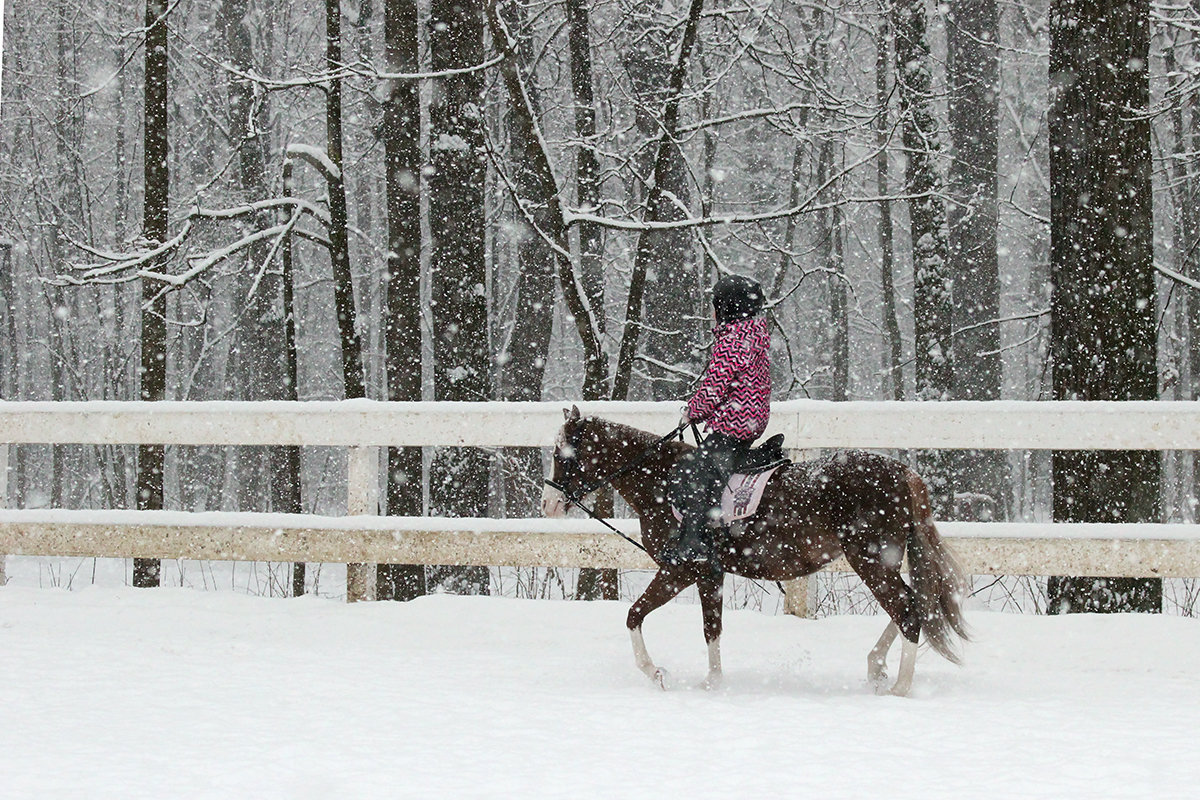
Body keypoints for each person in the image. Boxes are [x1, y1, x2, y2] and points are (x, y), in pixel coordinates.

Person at [667, 274, 771, 566]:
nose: (712, 312)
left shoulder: (732, 340)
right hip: (749, 419)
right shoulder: (753, 335)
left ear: (727, 307)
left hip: (735, 423)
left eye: (715, 305)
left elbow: (715, 385)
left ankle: (695, 544)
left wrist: (693, 412)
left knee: (695, 472)